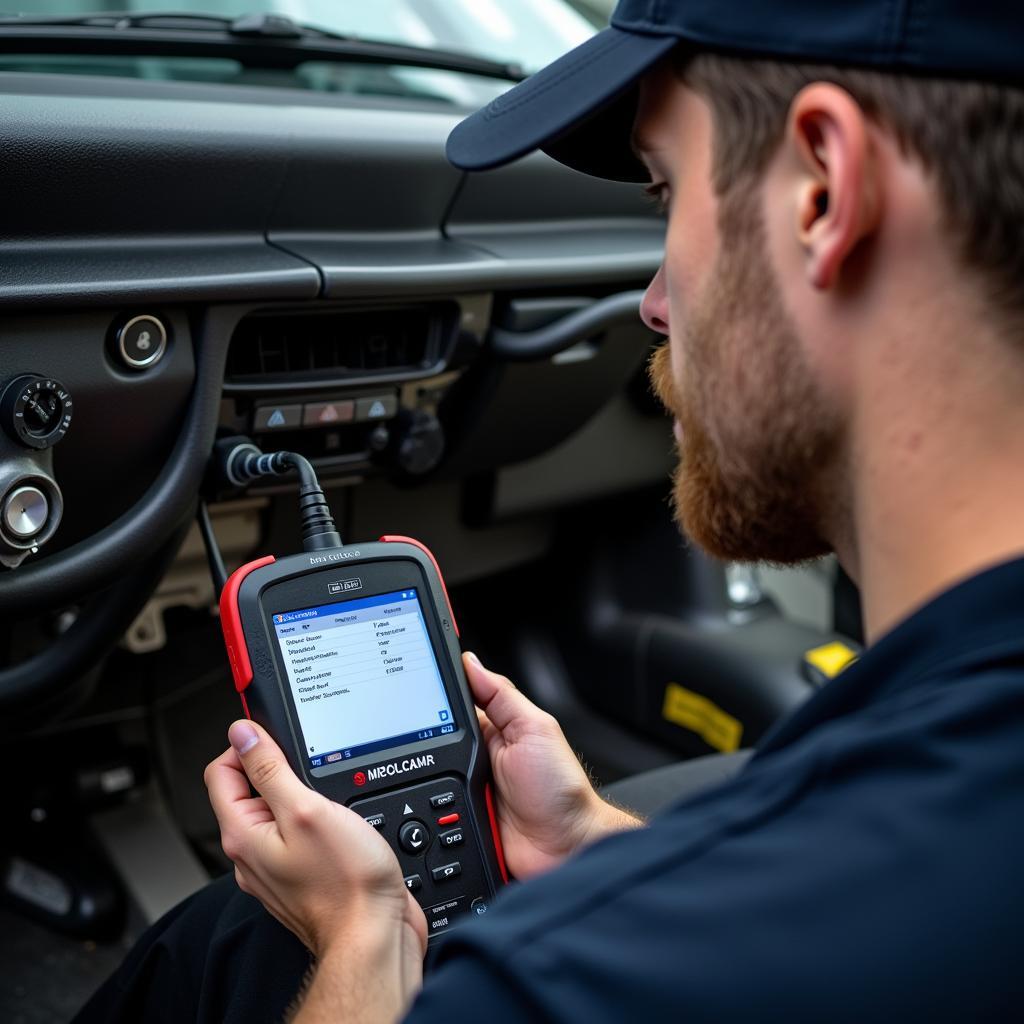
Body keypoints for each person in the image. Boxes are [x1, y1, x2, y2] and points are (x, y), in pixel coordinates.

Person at [76, 0, 1024, 1020]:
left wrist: (362, 932)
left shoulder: (552, 985)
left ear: (822, 191)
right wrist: (594, 847)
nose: (655, 301)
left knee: (229, 938)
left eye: (664, 193)